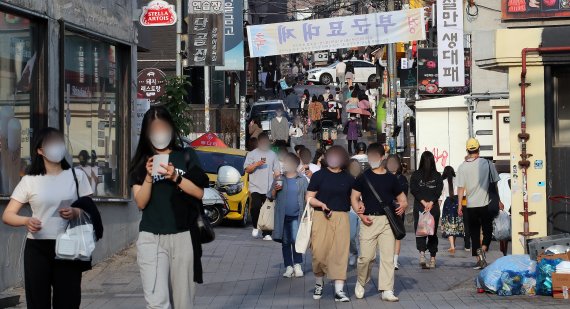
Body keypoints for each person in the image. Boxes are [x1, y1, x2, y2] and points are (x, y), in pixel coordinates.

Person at [128, 107, 209, 308]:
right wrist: (148, 176)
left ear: (171, 128)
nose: (159, 132)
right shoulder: (140, 162)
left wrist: (176, 177)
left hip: (183, 236)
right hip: (150, 237)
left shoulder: (186, 156)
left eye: (163, 127)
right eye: (154, 129)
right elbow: (140, 202)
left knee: (184, 302)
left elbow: (199, 192)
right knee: (157, 302)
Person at [2, 128, 93, 309]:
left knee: (68, 301)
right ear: (40, 150)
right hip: (38, 248)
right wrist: (26, 221)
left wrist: (76, 212)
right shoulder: (30, 180)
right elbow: (7, 215)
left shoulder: (77, 176)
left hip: (69, 247)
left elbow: (90, 210)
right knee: (37, 302)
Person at [351, 143, 408, 302]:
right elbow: (354, 198)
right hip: (368, 220)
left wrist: (403, 205)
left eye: (376, 156)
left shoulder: (391, 178)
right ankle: (361, 281)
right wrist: (360, 215)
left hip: (387, 222)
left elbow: (402, 199)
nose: (373, 159)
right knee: (366, 258)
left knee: (388, 257)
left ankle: (387, 289)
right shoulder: (363, 177)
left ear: (382, 157)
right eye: (370, 156)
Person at [306, 146, 353, 302]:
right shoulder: (318, 176)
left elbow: (355, 199)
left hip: (341, 217)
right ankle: (319, 283)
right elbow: (309, 197)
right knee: (318, 253)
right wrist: (320, 204)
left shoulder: (348, 178)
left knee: (340, 253)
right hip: (321, 216)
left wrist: (362, 208)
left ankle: (339, 291)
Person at [457, 138, 503, 269]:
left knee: (474, 233)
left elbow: (460, 188)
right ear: (479, 148)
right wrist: (499, 200)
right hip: (485, 204)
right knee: (488, 230)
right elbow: (494, 184)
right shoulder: (488, 164)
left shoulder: (462, 167)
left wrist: (460, 204)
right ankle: (482, 249)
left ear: (467, 150)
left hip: (470, 206)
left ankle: (479, 259)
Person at [270, 153, 308, 278]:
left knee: (296, 240)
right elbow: (271, 196)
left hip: (297, 215)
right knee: (285, 241)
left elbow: (307, 198)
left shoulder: (302, 180)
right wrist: (275, 189)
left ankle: (297, 264)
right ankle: (288, 266)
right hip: (283, 216)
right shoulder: (279, 178)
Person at [244, 133, 281, 240]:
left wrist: (278, 183)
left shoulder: (273, 155)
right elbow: (247, 170)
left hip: (269, 188)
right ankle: (255, 226)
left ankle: (267, 233)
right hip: (255, 187)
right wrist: (256, 164)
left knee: (268, 210)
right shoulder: (251, 154)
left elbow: (277, 172)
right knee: (255, 207)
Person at [410, 151, 443, 269]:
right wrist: (430, 202)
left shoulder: (416, 175)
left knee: (420, 232)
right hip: (433, 208)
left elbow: (414, 190)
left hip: (420, 207)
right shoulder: (437, 175)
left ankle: (422, 255)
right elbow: (438, 191)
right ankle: (433, 259)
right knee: (432, 233)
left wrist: (424, 202)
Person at [386, 154, 409, 270]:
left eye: (394, 163)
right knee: (386, 234)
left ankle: (395, 260)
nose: (392, 165)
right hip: (385, 209)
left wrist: (402, 205)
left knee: (397, 235)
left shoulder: (402, 178)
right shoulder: (383, 177)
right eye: (390, 163)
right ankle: (388, 258)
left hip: (398, 209)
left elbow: (404, 196)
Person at [439, 166, 464, 255]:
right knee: (455, 224)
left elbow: (441, 196)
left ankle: (452, 246)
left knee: (448, 224)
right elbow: (463, 192)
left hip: (448, 203)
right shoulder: (457, 180)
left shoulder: (443, 182)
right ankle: (453, 245)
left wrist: (438, 207)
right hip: (457, 202)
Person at [347, 159, 363, 267]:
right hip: (351, 210)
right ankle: (353, 252)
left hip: (363, 211)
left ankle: (362, 256)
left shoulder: (365, 178)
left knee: (362, 236)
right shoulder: (347, 179)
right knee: (351, 235)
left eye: (356, 166)